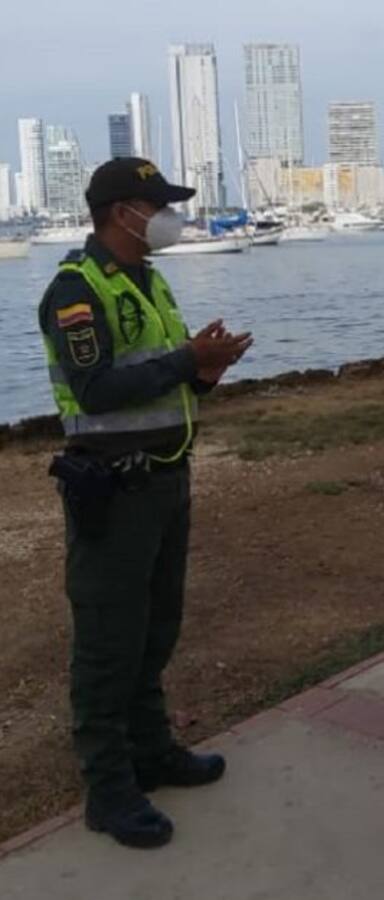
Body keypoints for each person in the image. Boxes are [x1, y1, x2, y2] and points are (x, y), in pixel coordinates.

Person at [37, 157, 254, 848]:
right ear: (121, 212)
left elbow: (163, 382)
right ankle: (108, 787)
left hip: (166, 480)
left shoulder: (150, 282)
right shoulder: (76, 289)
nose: (167, 216)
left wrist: (206, 372)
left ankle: (152, 750)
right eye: (156, 204)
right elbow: (95, 387)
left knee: (157, 626)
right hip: (114, 489)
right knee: (109, 640)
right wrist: (187, 361)